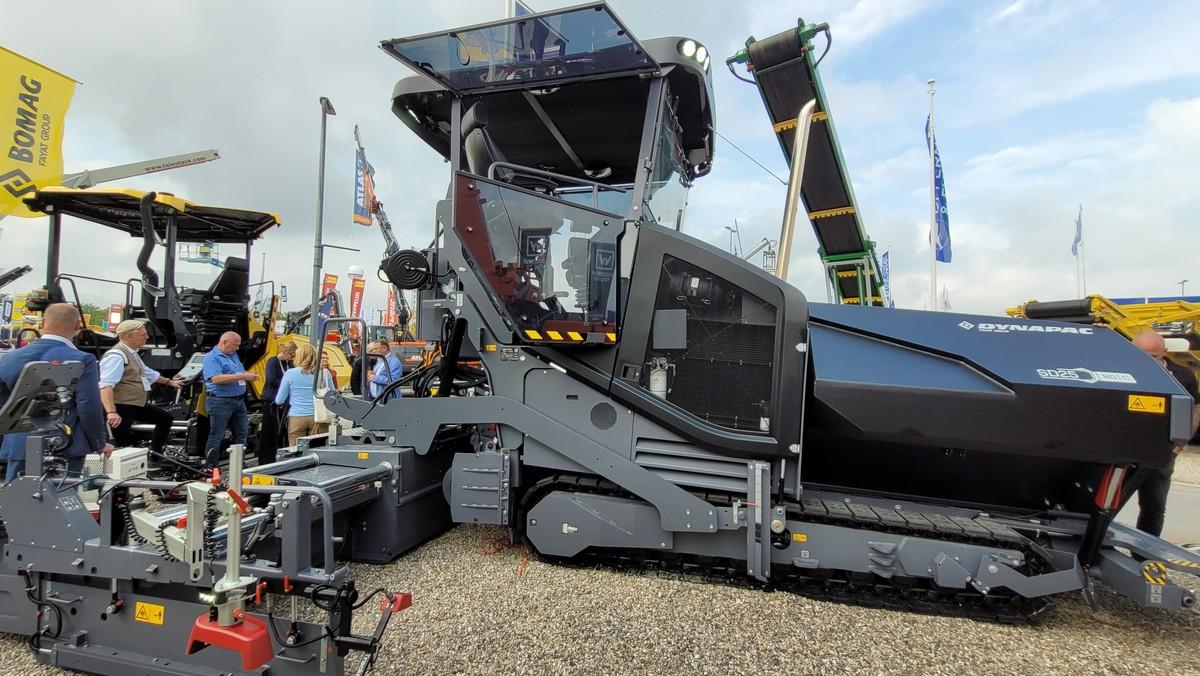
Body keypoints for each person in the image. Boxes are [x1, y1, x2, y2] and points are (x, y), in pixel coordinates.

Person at [1, 304, 111, 481]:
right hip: (63, 445)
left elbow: (4, 401)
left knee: (14, 502)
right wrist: (99, 442)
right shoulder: (82, 359)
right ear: (77, 326)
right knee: (60, 501)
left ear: (43, 322)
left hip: (19, 442)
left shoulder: (10, 357)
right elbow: (88, 405)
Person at [1132, 331, 1200, 537]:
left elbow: (1194, 410)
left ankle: (1144, 555)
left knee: (1153, 506)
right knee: (1106, 505)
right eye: (1138, 355)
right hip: (1123, 449)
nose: (1144, 361)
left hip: (1161, 453)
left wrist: (1179, 445)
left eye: (1151, 356)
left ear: (1164, 353)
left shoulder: (1183, 376)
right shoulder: (1121, 370)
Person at [99, 319, 182, 454]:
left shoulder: (132, 353)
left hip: (134, 404)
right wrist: (111, 412)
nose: (147, 337)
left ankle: (155, 454)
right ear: (127, 336)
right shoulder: (116, 356)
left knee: (165, 418)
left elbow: (147, 373)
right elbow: (105, 385)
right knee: (120, 441)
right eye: (142, 335)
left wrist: (169, 382)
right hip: (121, 406)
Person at [201, 331, 258, 471]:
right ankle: (211, 466)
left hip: (238, 400)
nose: (237, 348)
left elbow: (238, 372)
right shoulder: (212, 358)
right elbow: (216, 379)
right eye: (235, 345)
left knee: (242, 432)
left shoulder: (233, 355)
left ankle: (238, 463)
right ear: (225, 342)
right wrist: (242, 376)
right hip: (220, 401)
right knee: (217, 434)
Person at [275, 343, 332, 446]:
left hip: (297, 418)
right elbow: (332, 394)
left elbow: (279, 400)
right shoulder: (324, 372)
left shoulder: (290, 373)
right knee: (318, 449)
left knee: (296, 450)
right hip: (319, 417)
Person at [256, 340, 296, 465]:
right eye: (292, 354)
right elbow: (271, 379)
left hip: (286, 401)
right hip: (272, 399)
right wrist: (287, 385)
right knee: (270, 429)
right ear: (286, 352)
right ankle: (266, 458)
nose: (293, 357)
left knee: (283, 430)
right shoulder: (273, 361)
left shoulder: (289, 364)